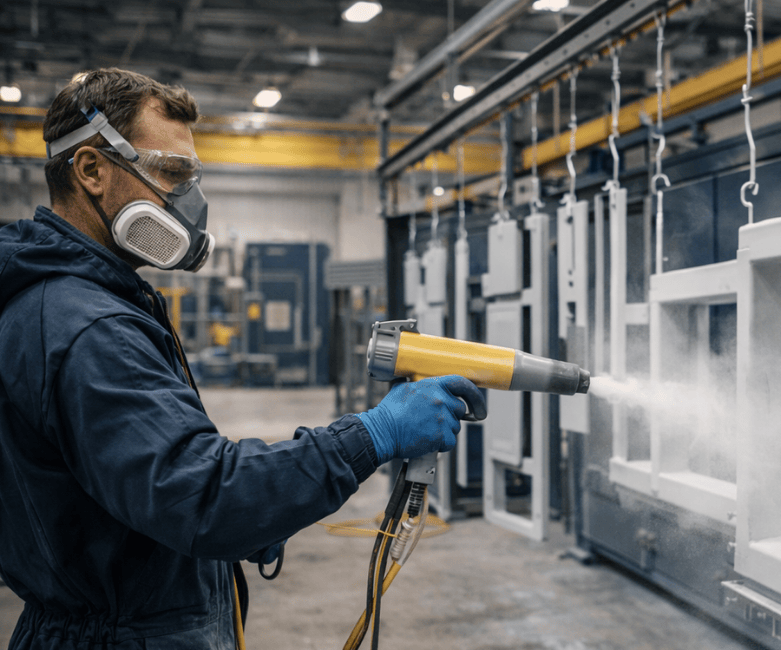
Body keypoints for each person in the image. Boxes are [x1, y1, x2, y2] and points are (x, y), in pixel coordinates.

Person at [0, 68, 486, 650]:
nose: (188, 200)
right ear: (91, 171)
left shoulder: (82, 301)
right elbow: (203, 496)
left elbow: (140, 487)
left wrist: (258, 514)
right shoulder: (87, 327)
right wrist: (373, 434)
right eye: (171, 173)